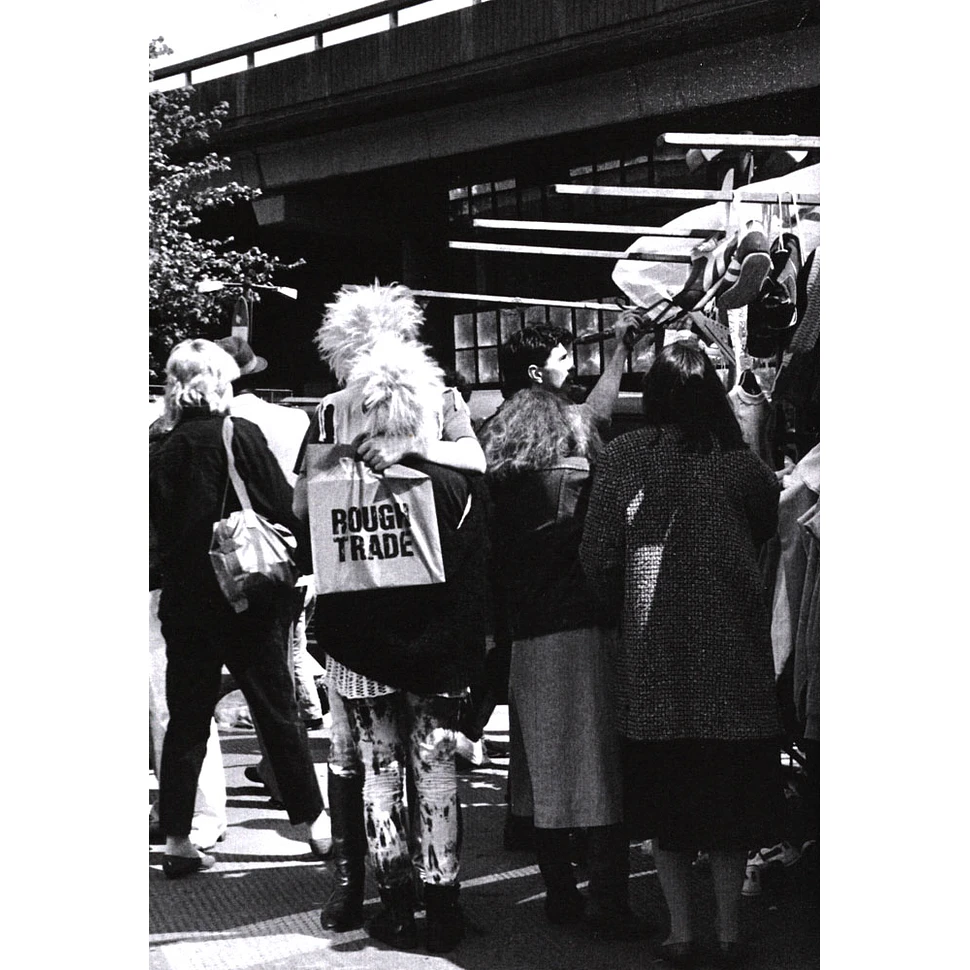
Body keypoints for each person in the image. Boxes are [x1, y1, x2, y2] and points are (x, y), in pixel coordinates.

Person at [579, 338, 786, 968]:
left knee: (665, 810)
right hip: (735, 668)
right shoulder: (744, 467)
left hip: (653, 665)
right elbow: (769, 540)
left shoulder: (621, 460)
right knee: (726, 811)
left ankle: (679, 933)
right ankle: (728, 932)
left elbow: (595, 556)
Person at [292, 282, 486, 944]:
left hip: (358, 614)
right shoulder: (441, 401)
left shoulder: (329, 413)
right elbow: (477, 463)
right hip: (435, 612)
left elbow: (301, 507)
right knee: (435, 763)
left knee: (378, 768)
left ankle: (394, 902)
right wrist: (416, 454)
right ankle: (445, 906)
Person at [149, 338, 331, 878]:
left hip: (185, 602)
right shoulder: (239, 434)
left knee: (187, 719)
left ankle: (178, 837)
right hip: (247, 597)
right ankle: (315, 824)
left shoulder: (159, 444)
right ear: (220, 382)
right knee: (276, 709)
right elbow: (279, 503)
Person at [479, 383, 653, 940]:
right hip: (586, 633)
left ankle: (559, 894)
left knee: (542, 774)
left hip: (526, 640)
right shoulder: (582, 479)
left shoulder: (498, 489)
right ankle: (608, 899)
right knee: (600, 769)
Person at [472, 312, 646, 850]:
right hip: (576, 612)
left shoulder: (494, 437)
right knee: (590, 751)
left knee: (537, 742)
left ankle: (539, 847)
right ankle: (602, 890)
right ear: (534, 372)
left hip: (523, 617)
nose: (572, 370)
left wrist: (619, 351)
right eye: (563, 361)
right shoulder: (572, 446)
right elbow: (596, 413)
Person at [216, 336, 329, 835]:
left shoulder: (190, 429)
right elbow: (298, 494)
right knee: (281, 672)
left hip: (221, 564)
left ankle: (192, 818)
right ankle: (294, 789)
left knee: (205, 691)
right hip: (280, 561)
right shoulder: (293, 420)